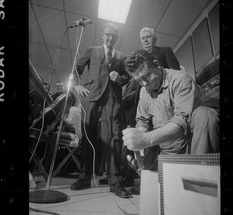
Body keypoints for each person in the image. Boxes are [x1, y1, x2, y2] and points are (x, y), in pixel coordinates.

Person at [122, 50, 219, 161]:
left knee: (205, 115)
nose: (144, 84)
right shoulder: (144, 91)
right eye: (139, 80)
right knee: (148, 167)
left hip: (191, 145)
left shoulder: (181, 80)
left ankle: (200, 168)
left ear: (157, 65)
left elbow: (182, 123)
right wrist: (141, 130)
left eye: (146, 76)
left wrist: (145, 139)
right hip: (168, 151)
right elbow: (142, 119)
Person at [70, 22, 130, 198]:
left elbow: (127, 76)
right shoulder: (92, 50)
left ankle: (115, 182)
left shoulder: (121, 56)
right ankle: (84, 177)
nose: (110, 38)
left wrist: (120, 78)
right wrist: (77, 86)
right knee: (87, 135)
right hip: (91, 95)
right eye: (107, 35)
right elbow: (76, 68)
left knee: (114, 137)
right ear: (102, 35)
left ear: (117, 38)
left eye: (113, 36)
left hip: (112, 98)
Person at [119, 27, 181, 193]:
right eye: (143, 38)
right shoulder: (138, 66)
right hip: (142, 104)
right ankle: (143, 177)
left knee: (154, 138)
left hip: (164, 102)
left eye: (148, 37)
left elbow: (174, 73)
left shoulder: (164, 51)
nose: (145, 40)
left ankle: (156, 179)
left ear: (155, 39)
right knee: (137, 140)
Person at [43, 91, 83, 173]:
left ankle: (47, 166)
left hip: (77, 136)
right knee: (51, 135)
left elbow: (78, 129)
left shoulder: (73, 110)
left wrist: (63, 122)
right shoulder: (66, 112)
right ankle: (48, 164)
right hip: (72, 134)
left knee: (54, 136)